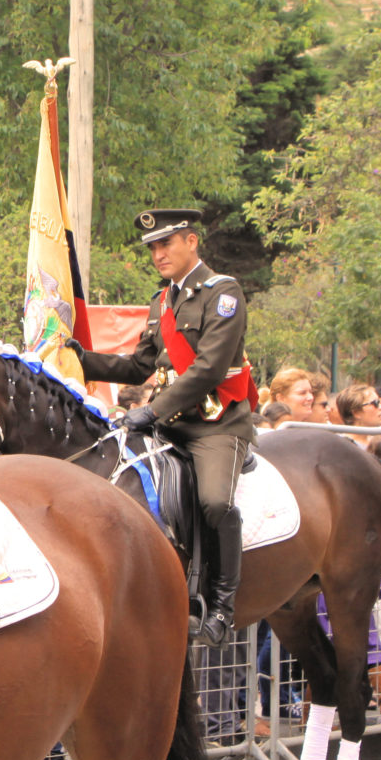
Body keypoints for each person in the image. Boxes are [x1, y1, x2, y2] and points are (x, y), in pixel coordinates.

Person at [68, 208, 255, 648]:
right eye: (152, 248)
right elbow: (138, 367)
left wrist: (150, 412)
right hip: (170, 423)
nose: (158, 254)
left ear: (191, 241)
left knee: (214, 502)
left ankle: (223, 606)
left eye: (165, 244)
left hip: (215, 424)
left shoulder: (223, 293)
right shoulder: (162, 301)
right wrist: (81, 358)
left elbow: (209, 369)